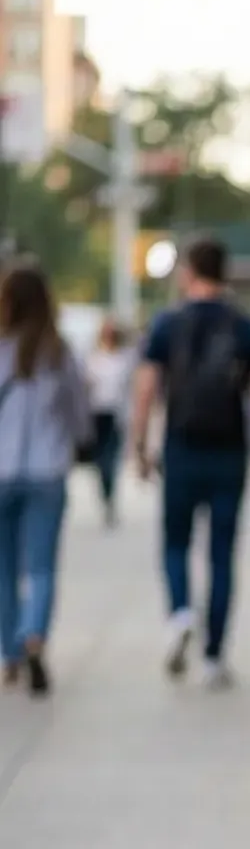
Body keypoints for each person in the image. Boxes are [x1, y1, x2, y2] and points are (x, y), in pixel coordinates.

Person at [130, 236, 250, 689]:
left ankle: (179, 613)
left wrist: (139, 446)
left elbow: (145, 390)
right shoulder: (243, 325)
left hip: (180, 448)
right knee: (221, 554)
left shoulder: (167, 323)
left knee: (175, 543)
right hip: (229, 451)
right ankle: (214, 656)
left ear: (189, 272)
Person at [0, 264, 92, 696]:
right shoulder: (59, 352)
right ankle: (34, 634)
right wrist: (82, 442)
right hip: (47, 473)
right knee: (40, 566)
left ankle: (10, 655)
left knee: (2, 569)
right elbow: (79, 416)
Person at [83, 316, 133, 526]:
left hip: (116, 414)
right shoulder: (93, 358)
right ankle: (105, 495)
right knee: (100, 461)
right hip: (96, 413)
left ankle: (110, 497)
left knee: (110, 460)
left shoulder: (125, 358)